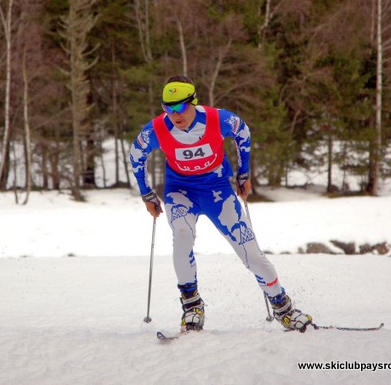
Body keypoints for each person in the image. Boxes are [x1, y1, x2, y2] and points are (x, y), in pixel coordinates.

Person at [129, 75, 312, 333]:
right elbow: (136, 155)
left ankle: (284, 309)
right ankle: (192, 307)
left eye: (179, 107)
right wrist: (147, 194)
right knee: (182, 236)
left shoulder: (218, 119)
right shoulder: (157, 129)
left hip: (218, 190)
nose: (174, 114)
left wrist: (244, 172)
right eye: (167, 108)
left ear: (193, 101)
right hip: (180, 191)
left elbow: (243, 133)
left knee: (251, 254)